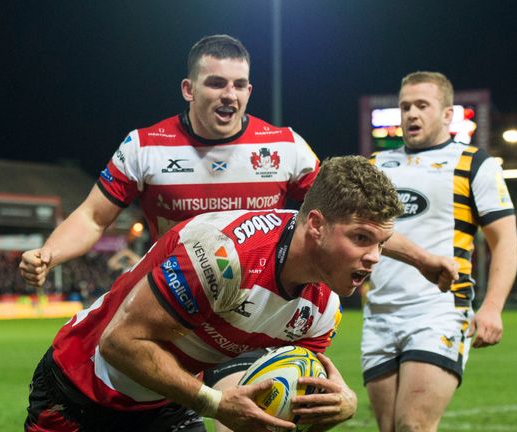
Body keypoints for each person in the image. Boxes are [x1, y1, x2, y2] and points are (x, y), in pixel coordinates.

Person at [24, 156, 403, 432]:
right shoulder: (224, 256)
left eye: (381, 244)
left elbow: (288, 399)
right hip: (79, 390)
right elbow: (120, 343)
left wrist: (340, 405)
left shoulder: (323, 309)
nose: (373, 258)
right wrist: (217, 404)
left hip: (169, 403)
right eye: (361, 238)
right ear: (317, 225)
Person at [361, 71, 517, 431]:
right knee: (389, 429)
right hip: (380, 314)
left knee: (413, 425)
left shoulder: (475, 164)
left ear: (448, 114)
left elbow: (505, 240)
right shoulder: (375, 167)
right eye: (404, 107)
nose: (411, 114)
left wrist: (492, 307)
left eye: (422, 105)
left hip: (439, 311)